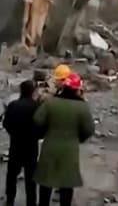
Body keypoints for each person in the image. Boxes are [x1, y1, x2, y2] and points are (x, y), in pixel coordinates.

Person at [33, 73, 94, 206]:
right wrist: (79, 138)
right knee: (67, 183)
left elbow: (37, 120)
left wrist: (45, 132)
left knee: (46, 182)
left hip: (50, 146)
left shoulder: (50, 102)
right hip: (70, 148)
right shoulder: (82, 107)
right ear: (77, 89)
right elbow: (89, 130)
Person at [2, 80, 41, 206]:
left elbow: (6, 124)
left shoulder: (13, 105)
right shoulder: (37, 106)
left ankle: (10, 200)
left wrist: (14, 133)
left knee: (12, 175)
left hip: (16, 145)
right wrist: (36, 136)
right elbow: (42, 127)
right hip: (31, 146)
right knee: (31, 178)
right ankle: (31, 202)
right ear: (33, 91)